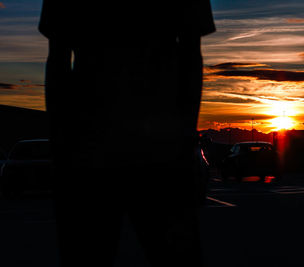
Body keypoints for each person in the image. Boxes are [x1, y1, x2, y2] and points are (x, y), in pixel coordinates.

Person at [38, 1, 215, 266]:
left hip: (93, 145)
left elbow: (58, 59)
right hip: (154, 147)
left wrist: (60, 144)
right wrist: (186, 137)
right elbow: (191, 54)